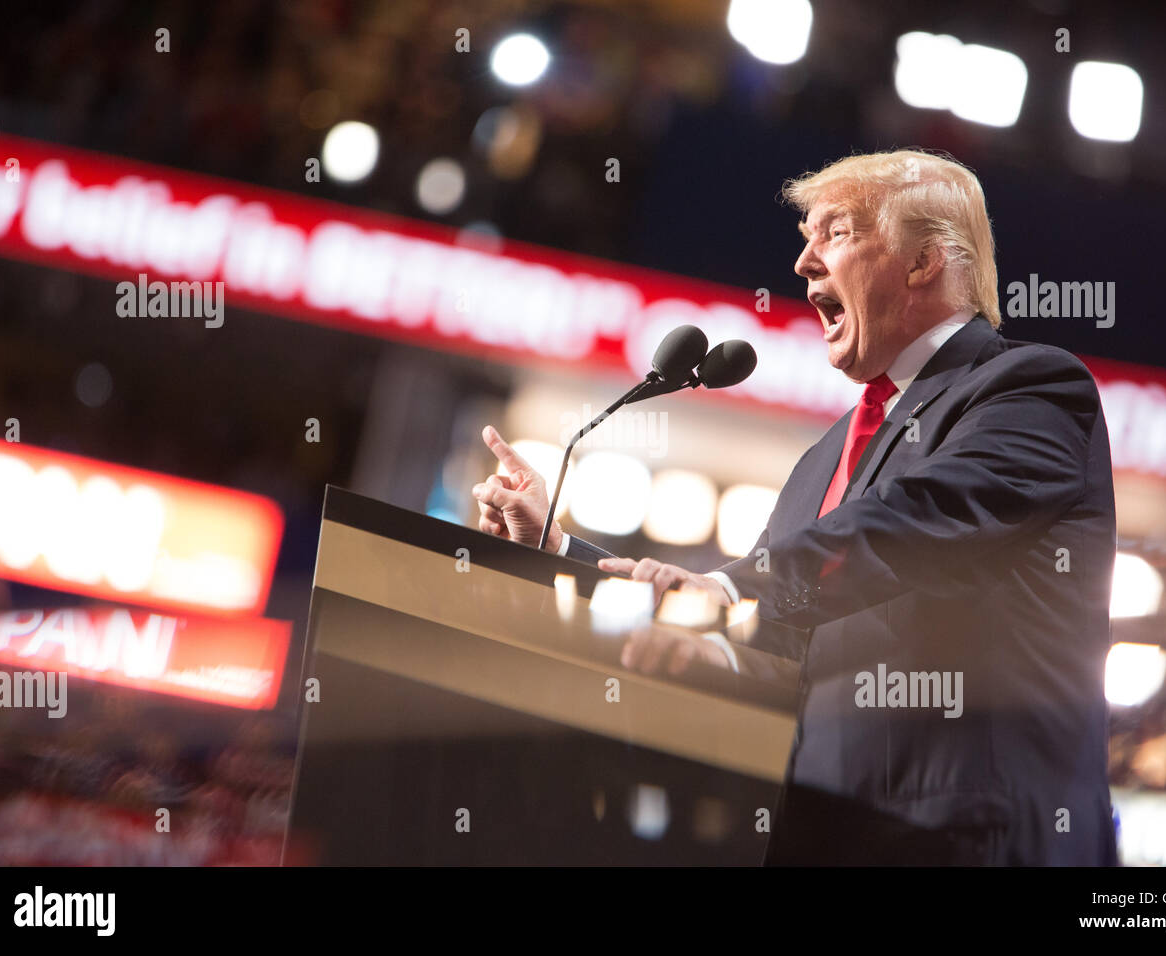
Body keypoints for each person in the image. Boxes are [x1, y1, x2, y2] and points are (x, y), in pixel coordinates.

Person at [472, 150, 1118, 866]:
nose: (803, 263)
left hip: (975, 841)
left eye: (835, 233)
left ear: (925, 261)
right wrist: (561, 552)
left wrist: (727, 591)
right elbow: (768, 630)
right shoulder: (823, 462)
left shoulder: (1027, 391)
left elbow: (915, 523)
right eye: (805, 236)